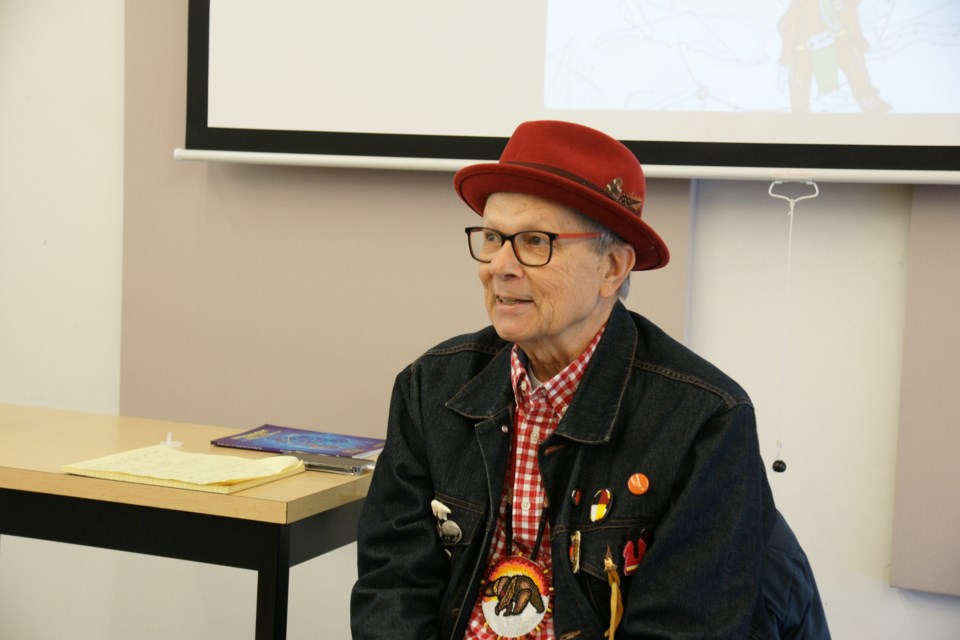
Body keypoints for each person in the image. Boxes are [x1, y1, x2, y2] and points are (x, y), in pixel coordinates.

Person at [351, 120, 781, 639]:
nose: (498, 267)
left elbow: (685, 629)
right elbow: (393, 588)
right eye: (492, 238)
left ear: (613, 268)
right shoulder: (429, 388)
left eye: (535, 241)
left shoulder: (705, 420)